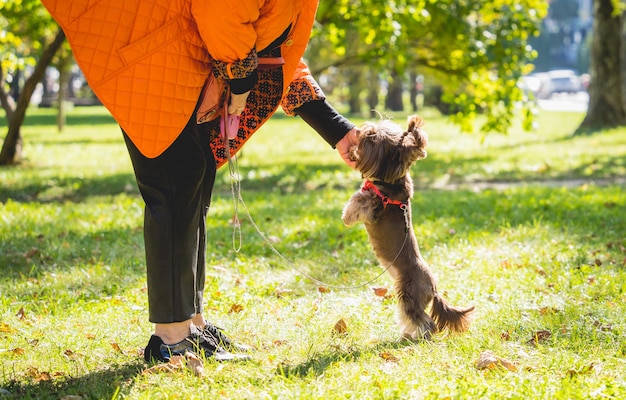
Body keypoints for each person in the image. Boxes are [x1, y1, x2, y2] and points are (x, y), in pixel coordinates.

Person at [40, 0, 359, 362]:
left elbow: (275, 51)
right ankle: (171, 341)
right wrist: (240, 80)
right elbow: (222, 12)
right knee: (174, 190)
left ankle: (192, 326)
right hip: (156, 53)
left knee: (192, 181)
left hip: (184, 56)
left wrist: (336, 130)